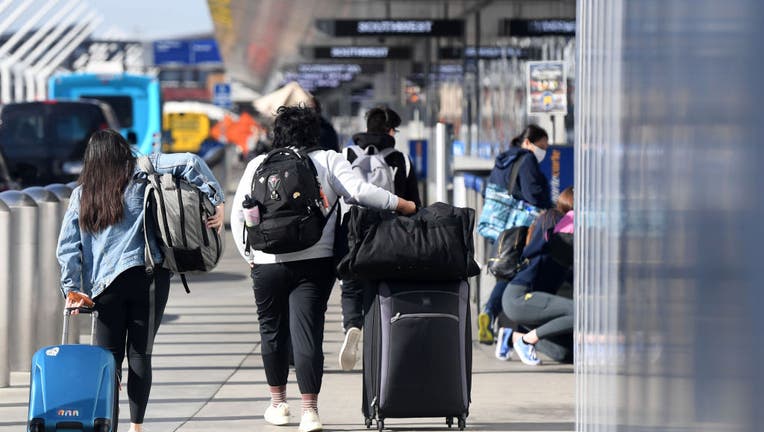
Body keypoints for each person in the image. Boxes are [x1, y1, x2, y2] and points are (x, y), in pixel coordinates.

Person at [230, 106, 416, 432]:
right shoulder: (329, 160)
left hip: (266, 263)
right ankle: (310, 411)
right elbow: (359, 192)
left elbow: (239, 215)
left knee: (272, 333)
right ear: (313, 132)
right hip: (314, 262)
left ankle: (278, 405)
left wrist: (250, 254)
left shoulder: (259, 165)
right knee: (308, 332)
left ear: (279, 134)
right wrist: (400, 203)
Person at [57, 129, 225, 432]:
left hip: (103, 287)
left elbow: (68, 247)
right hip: (148, 277)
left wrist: (71, 288)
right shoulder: (140, 172)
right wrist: (217, 198)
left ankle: (108, 424)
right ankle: (136, 426)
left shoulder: (83, 193)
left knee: (108, 361)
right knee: (140, 354)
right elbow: (189, 161)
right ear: (122, 149)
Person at [338, 105, 422, 371]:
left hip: (351, 227)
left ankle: (353, 325)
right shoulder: (401, 159)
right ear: (390, 130)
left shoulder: (346, 154)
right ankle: (383, 338)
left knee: (351, 284)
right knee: (385, 284)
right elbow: (414, 204)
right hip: (388, 231)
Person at [477, 124, 553, 345]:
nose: (544, 151)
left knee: (506, 272)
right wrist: (550, 205)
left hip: (499, 227)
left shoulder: (503, 158)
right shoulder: (527, 159)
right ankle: (511, 332)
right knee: (519, 275)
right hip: (519, 228)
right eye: (542, 146)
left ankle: (490, 315)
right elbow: (532, 193)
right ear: (528, 142)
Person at [496, 186, 574, 365]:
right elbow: (537, 247)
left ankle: (511, 337)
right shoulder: (554, 218)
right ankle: (525, 342)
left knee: (565, 353)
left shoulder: (561, 231)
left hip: (534, 303)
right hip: (521, 296)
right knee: (580, 313)